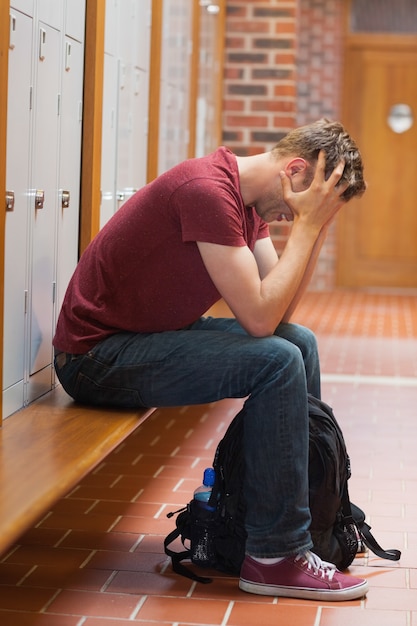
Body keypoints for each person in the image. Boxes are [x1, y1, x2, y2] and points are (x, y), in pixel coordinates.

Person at [53, 119, 368, 601]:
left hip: (147, 337)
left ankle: (311, 528)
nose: (293, 217)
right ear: (296, 170)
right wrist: (305, 226)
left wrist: (316, 225)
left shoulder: (247, 203)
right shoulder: (207, 191)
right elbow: (260, 321)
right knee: (278, 359)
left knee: (298, 343)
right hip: (97, 356)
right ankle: (274, 554)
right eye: (310, 202)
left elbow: (282, 313)